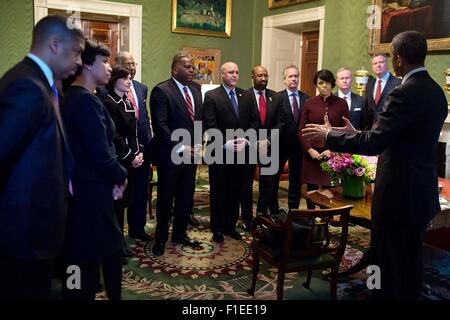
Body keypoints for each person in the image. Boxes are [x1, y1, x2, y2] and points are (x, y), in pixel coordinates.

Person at [302, 31, 448, 300]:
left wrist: (329, 136)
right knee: (410, 260)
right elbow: (397, 135)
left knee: (385, 261)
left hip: (397, 195)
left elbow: (375, 143)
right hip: (421, 193)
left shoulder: (403, 92)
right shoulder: (437, 92)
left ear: (399, 59)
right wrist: (354, 132)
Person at [0, 15, 84, 300]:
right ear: (55, 44)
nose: (80, 62)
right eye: (77, 52)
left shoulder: (40, 84)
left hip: (37, 232)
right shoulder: (27, 87)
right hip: (23, 235)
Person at [61, 39, 128, 300]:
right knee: (94, 253)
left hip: (85, 187)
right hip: (90, 190)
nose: (110, 67)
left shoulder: (81, 97)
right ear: (87, 65)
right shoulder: (84, 102)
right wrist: (121, 177)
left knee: (87, 252)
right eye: (104, 62)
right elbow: (100, 153)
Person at [150, 52, 203, 256]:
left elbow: (198, 120)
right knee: (166, 198)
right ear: (175, 69)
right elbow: (160, 125)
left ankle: (180, 234)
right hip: (171, 155)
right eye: (188, 67)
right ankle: (160, 239)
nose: (192, 70)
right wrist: (181, 147)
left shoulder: (196, 90)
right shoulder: (161, 91)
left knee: (186, 197)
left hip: (192, 155)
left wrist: (198, 143)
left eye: (193, 67)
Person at [203, 62, 259, 243]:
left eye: (237, 72)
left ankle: (230, 226)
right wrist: (226, 143)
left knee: (237, 191)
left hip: (242, 152)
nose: (235, 75)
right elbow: (209, 125)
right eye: (231, 72)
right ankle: (217, 228)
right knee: (219, 191)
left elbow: (255, 122)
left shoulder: (247, 96)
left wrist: (247, 140)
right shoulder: (212, 96)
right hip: (220, 152)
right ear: (222, 75)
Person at [103, 65, 144, 264]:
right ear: (114, 80)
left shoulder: (126, 100)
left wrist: (140, 152)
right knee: (117, 208)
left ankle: (120, 243)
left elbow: (134, 133)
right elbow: (115, 136)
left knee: (127, 203)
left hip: (133, 159)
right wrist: (130, 156)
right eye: (125, 78)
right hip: (120, 161)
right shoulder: (109, 102)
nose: (129, 81)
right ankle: (116, 246)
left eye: (130, 77)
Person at [114, 51, 155, 237]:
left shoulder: (141, 88)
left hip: (143, 151)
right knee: (123, 195)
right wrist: (129, 154)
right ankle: (118, 235)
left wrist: (146, 149)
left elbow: (143, 119)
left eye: (133, 64)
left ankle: (137, 229)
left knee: (140, 192)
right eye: (127, 63)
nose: (131, 67)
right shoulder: (108, 92)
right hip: (122, 154)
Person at [299, 69, 349, 208]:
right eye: (321, 83)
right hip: (312, 155)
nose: (324, 86)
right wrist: (309, 150)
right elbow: (301, 129)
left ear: (332, 84)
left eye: (327, 82)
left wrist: (332, 151)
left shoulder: (341, 104)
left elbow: (346, 131)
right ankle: (311, 220)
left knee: (329, 193)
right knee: (311, 192)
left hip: (331, 154)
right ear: (316, 85)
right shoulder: (309, 103)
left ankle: (326, 220)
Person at [243, 65, 284, 226]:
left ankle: (262, 212)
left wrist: (267, 140)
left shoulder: (276, 97)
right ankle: (246, 216)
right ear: (252, 77)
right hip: (249, 146)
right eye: (260, 76)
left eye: (266, 75)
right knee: (246, 183)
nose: (263, 79)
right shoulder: (243, 96)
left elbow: (281, 122)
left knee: (268, 182)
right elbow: (241, 122)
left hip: (269, 145)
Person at [276, 65, 309, 212]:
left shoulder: (307, 98)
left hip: (299, 147)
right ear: (284, 80)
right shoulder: (277, 98)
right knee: (274, 178)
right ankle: (274, 209)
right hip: (280, 144)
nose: (294, 79)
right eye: (290, 76)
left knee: (296, 181)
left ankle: (293, 211)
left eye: (296, 76)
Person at [362, 53, 401, 128]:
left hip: (390, 129)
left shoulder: (398, 83)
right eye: (375, 63)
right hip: (371, 131)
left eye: (381, 62)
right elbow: (367, 109)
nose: (378, 65)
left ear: (387, 64)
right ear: (372, 67)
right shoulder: (369, 84)